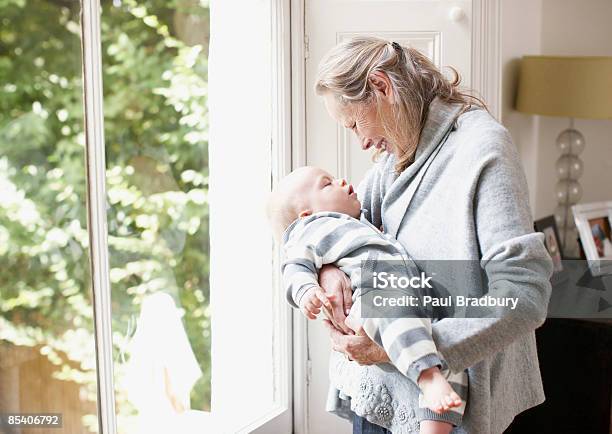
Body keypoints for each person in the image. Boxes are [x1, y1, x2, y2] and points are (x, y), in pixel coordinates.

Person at [312, 36, 553, 433]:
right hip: (379, 393)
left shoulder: (482, 148)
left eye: (355, 123)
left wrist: (407, 350)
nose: (362, 141)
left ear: (381, 86)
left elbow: (524, 295)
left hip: (446, 403)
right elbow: (333, 226)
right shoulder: (398, 153)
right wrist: (328, 273)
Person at [267, 166, 466, 433]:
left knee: (450, 361)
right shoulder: (310, 229)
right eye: (327, 184)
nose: (341, 181)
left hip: (408, 297)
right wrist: (306, 291)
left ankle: (434, 422)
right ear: (306, 215)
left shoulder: (357, 222)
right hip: (373, 300)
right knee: (406, 329)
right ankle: (427, 376)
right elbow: (294, 267)